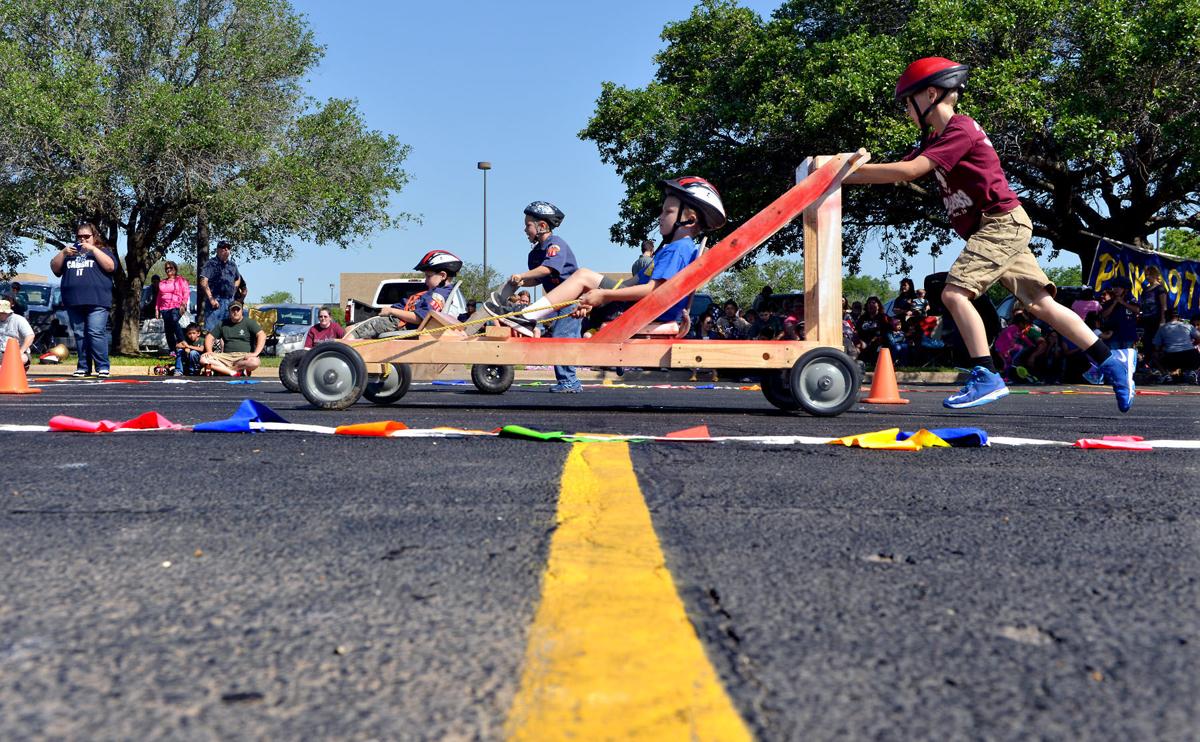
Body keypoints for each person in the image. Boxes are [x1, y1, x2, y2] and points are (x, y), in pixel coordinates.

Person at [844, 57, 1132, 410]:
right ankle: (1110, 362)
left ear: (931, 94)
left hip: (1000, 223)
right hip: (1001, 224)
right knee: (1041, 304)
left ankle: (986, 375)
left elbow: (910, 170)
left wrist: (841, 175)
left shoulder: (959, 129)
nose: (905, 108)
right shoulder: (936, 138)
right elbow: (899, 167)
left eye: (908, 100)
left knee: (953, 294)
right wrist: (848, 168)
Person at [484, 178, 727, 380]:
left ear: (690, 220)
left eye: (668, 212)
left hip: (645, 308)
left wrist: (605, 294)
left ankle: (527, 319)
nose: (661, 217)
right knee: (585, 280)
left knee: (583, 276)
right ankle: (530, 319)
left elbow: (653, 291)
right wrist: (598, 296)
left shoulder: (679, 249)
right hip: (636, 303)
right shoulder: (673, 248)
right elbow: (637, 284)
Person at [482, 201, 591, 392]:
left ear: (542, 226)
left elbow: (548, 268)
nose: (525, 229)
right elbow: (537, 278)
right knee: (553, 334)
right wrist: (521, 283)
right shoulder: (535, 253)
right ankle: (524, 322)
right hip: (555, 301)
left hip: (572, 300)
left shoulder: (555, 244)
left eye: (528, 225)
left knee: (562, 337)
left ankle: (570, 382)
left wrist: (522, 276)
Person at [345, 250, 463, 339]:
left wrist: (391, 311)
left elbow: (420, 318)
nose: (425, 280)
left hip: (399, 323)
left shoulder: (438, 295)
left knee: (351, 332)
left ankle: (345, 362)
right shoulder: (435, 291)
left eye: (428, 276)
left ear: (442, 275)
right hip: (398, 321)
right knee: (351, 328)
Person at [50, 222, 116, 377]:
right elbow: (55, 269)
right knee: (80, 334)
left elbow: (111, 266)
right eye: (80, 237)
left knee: (95, 331)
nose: (83, 240)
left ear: (94, 236)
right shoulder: (70, 252)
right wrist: (63, 253)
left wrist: (93, 249)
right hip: (73, 301)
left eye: (87, 237)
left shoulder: (102, 250)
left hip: (97, 301)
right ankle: (84, 367)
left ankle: (102, 367)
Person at [201, 302, 265, 376]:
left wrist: (256, 353)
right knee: (203, 359)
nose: (235, 312)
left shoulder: (249, 322)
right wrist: (209, 351)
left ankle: (223, 370)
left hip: (243, 356)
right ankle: (233, 372)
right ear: (229, 312)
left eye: (238, 310)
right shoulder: (223, 324)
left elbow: (262, 335)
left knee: (255, 362)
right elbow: (209, 337)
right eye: (233, 310)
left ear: (242, 311)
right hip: (225, 356)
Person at [199, 241, 245, 332]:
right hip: (216, 300)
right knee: (212, 331)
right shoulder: (211, 264)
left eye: (228, 248)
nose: (226, 249)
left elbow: (238, 278)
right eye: (223, 247)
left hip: (230, 301)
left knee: (228, 330)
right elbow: (203, 281)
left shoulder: (232, 265)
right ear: (218, 250)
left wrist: (234, 291)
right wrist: (211, 298)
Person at [1152, 309, 1200, 383]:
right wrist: (1193, 344)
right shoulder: (1188, 326)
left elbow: (1156, 347)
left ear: (1166, 317)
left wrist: (1163, 347)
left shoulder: (1162, 328)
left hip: (1171, 358)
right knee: (1195, 353)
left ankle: (1166, 375)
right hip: (1190, 356)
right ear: (1178, 317)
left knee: (1154, 355)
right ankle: (1191, 372)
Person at [155, 261, 191, 354]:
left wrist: (183, 304)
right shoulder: (162, 282)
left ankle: (182, 341)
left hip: (177, 306)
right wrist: (157, 309)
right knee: (168, 328)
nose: (168, 270)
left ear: (175, 269)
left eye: (170, 268)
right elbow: (159, 296)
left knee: (174, 320)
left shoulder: (181, 280)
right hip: (164, 308)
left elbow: (186, 293)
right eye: (167, 268)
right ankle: (172, 350)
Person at [1138, 266, 1169, 353]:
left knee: (1156, 344)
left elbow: (1164, 306)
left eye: (1149, 275)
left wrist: (1163, 320)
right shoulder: (1145, 290)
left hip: (1156, 320)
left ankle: (1156, 364)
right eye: (1146, 275)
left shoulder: (1160, 288)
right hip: (1146, 320)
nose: (1147, 277)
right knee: (1146, 343)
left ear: (1155, 275)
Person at [0, 299, 35, 368]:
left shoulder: (19, 320)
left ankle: (6, 369)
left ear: (5, 312)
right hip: (1, 353)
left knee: (22, 358)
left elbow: (30, 336)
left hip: (16, 352)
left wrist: (20, 351)